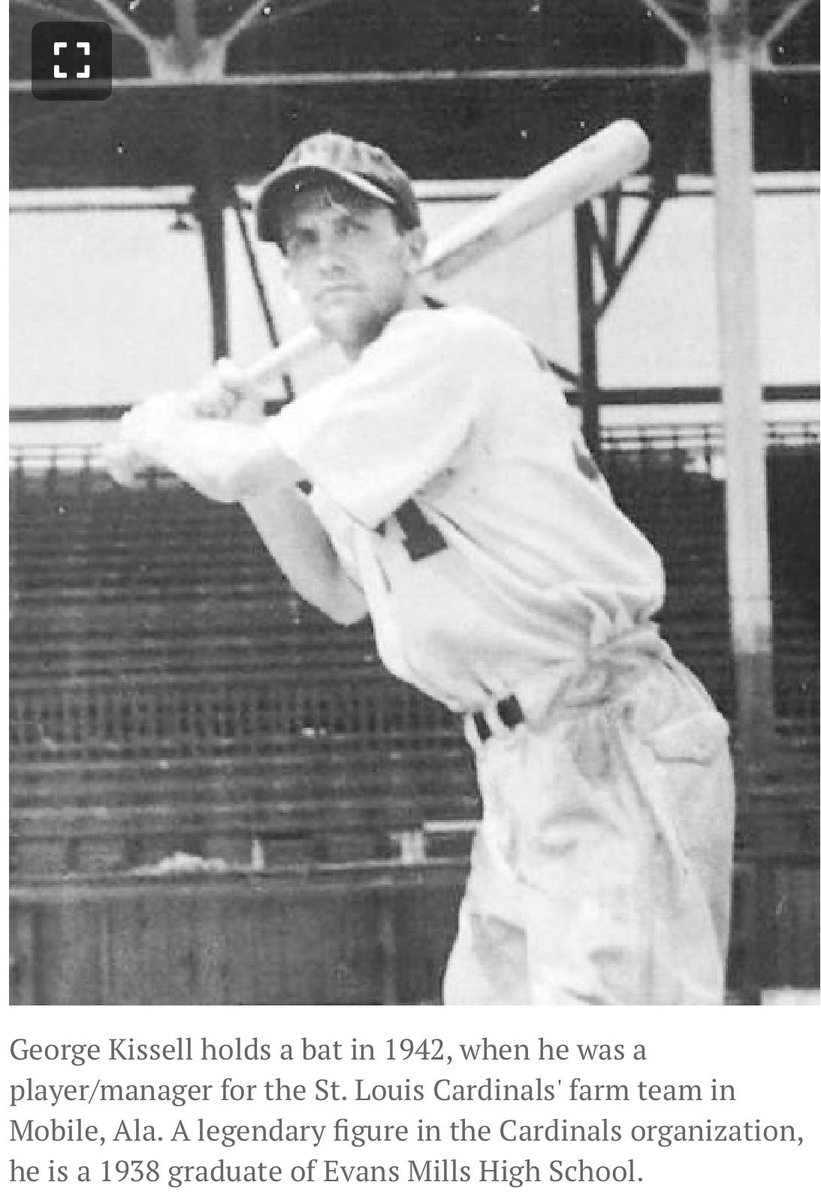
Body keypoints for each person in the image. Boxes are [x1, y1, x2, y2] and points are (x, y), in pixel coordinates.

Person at [115, 132, 735, 1005]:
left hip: (604, 728)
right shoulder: (371, 405)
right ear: (289, 277)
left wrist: (161, 428)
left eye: (351, 228)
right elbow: (333, 588)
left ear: (411, 247)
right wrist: (245, 424)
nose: (325, 256)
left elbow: (234, 465)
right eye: (303, 242)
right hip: (520, 761)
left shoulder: (448, 347)